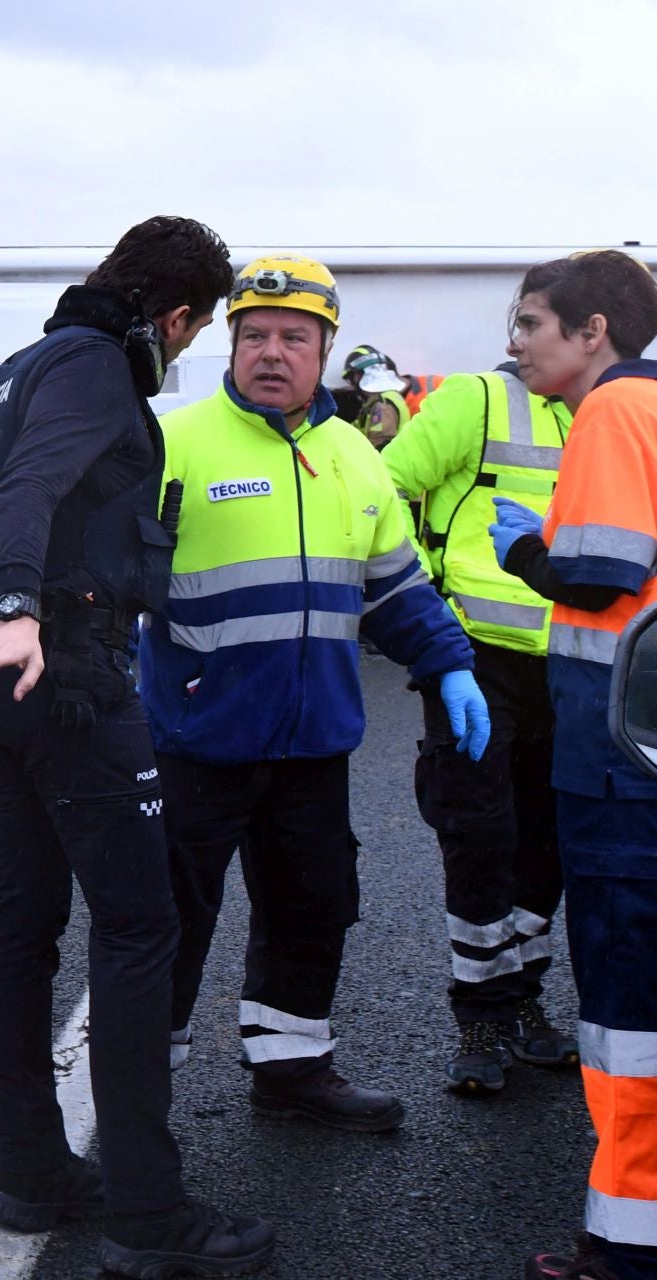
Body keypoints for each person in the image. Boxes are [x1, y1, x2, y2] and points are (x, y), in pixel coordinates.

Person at [0, 216, 274, 1278]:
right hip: (56, 665)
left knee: (26, 915)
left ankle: (38, 1171)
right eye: (197, 329)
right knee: (140, 925)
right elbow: (34, 488)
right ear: (176, 315)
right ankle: (148, 1208)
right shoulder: (92, 369)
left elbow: (6, 486)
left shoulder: (23, 363)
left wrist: (0, 616)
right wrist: (21, 607)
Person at [139, 254, 490, 1134]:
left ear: (326, 348)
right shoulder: (170, 442)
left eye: (294, 337)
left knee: (314, 904)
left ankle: (291, 1072)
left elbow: (397, 586)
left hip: (313, 741)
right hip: (198, 737)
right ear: (228, 343)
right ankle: (136, 1100)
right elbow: (109, 582)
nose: (271, 352)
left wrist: (448, 663)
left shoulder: (353, 457)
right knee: (169, 920)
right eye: (253, 334)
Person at [489, 249, 657, 1280]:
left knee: (627, 1015)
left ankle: (628, 1249)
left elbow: (598, 574)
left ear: (594, 332)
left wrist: (520, 550)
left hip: (618, 769)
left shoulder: (610, 413)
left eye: (533, 323)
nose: (517, 344)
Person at [379, 360, 576, 1094]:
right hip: (474, 655)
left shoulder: (606, 409)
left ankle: (523, 992)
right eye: (521, 322)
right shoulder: (479, 399)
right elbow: (386, 487)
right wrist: (427, 588)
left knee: (551, 836)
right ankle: (483, 1012)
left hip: (573, 659)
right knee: (480, 830)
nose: (522, 339)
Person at [338, 343, 411, 448]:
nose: (353, 384)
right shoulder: (385, 398)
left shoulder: (382, 405)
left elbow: (380, 446)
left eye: (352, 378)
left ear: (360, 376)